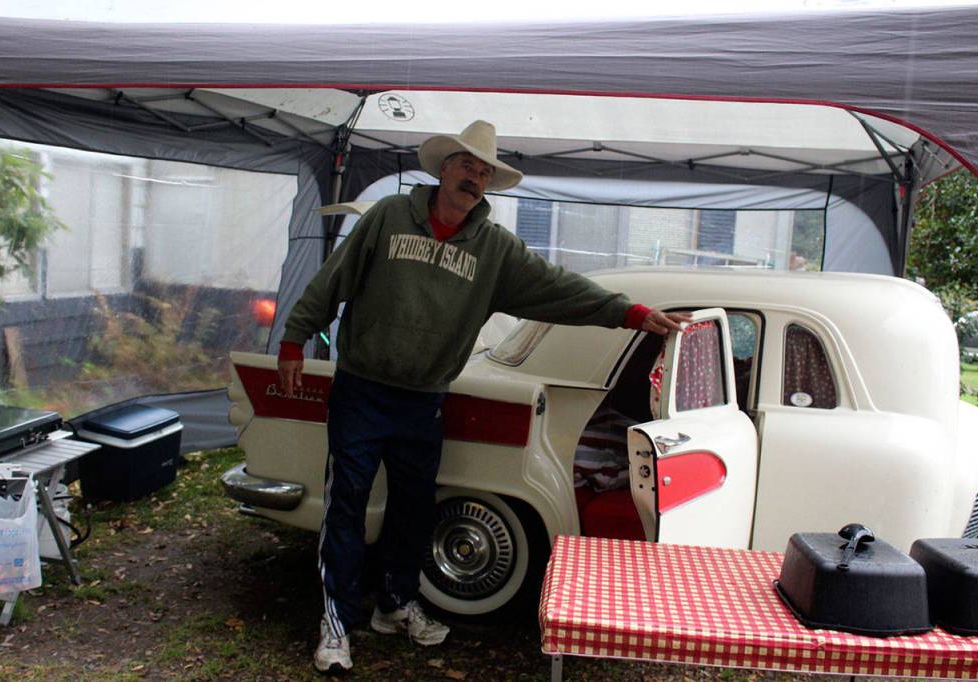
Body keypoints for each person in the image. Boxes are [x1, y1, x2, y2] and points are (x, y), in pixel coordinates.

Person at [277, 120, 690, 675]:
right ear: (443, 168)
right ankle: (336, 620)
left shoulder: (494, 249)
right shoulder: (387, 218)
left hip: (425, 398)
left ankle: (395, 605)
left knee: (413, 509)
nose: (475, 177)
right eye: (467, 164)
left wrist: (634, 315)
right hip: (363, 391)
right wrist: (293, 339)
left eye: (484, 171)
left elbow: (558, 288)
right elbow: (333, 280)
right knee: (347, 504)